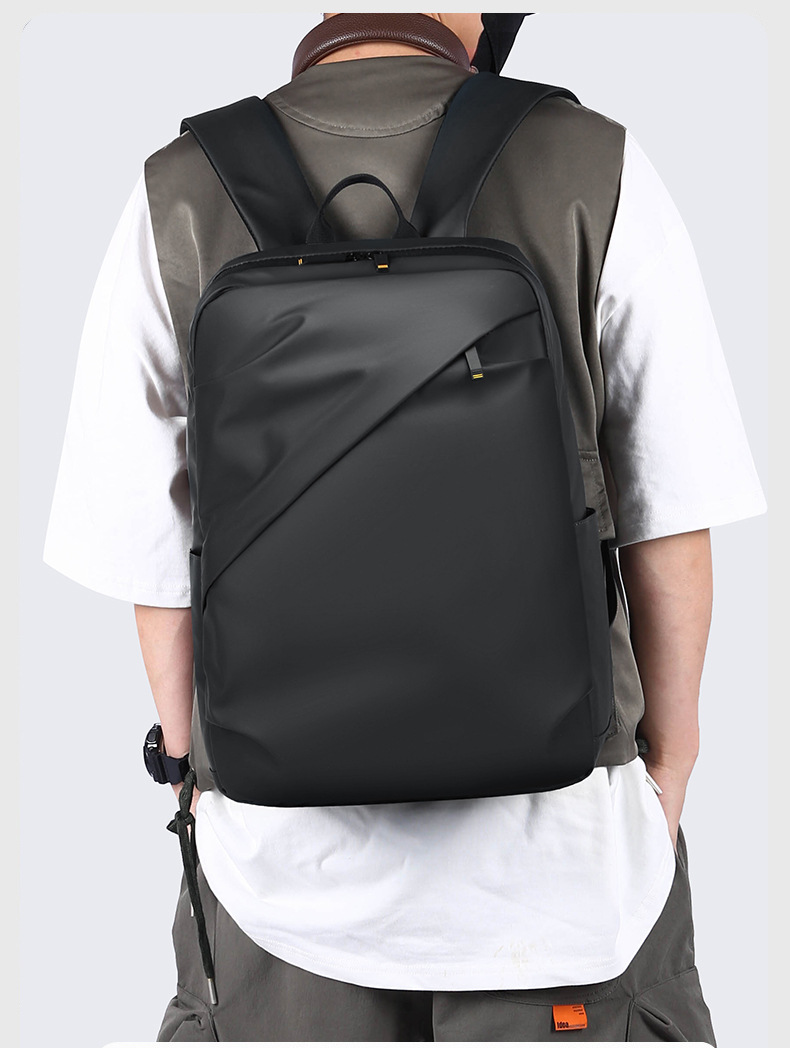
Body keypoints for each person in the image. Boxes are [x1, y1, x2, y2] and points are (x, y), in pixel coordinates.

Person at [42, 12, 766, 1043]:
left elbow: (150, 561)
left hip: (281, 883)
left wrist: (197, 776)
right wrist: (669, 766)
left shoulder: (177, 191)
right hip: (565, 877)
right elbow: (672, 519)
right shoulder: (592, 162)